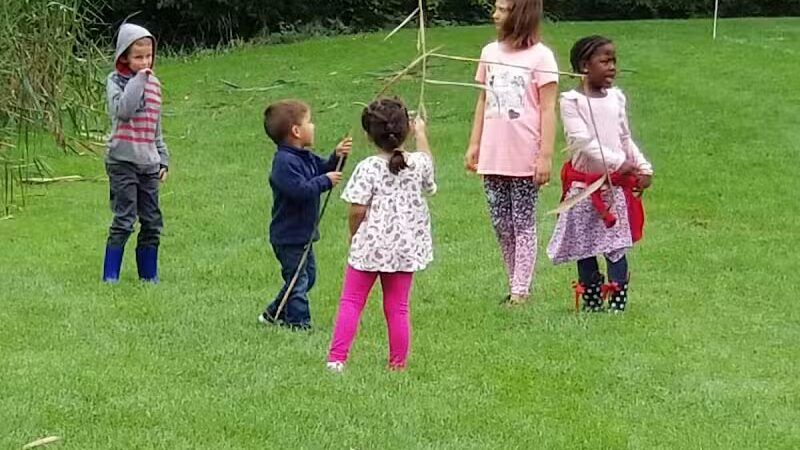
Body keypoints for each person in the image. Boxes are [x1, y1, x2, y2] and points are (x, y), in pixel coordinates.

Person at [326, 97, 436, 372]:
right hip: (404, 249)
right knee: (398, 307)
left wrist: (353, 234)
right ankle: (397, 363)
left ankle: (337, 360)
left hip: (370, 246)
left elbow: (357, 209)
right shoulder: (418, 164)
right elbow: (427, 164)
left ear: (369, 135)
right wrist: (421, 133)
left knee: (352, 301)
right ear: (406, 130)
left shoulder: (368, 167)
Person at [547, 35, 654, 312]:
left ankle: (618, 302)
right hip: (584, 188)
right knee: (585, 246)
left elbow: (624, 138)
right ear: (585, 66)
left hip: (613, 189)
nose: (612, 67)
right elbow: (582, 141)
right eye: (605, 61)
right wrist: (618, 162)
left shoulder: (617, 98)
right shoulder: (571, 101)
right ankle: (592, 301)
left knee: (616, 245)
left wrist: (643, 167)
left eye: (614, 61)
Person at [464, 0, 559, 305]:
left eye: (503, 9)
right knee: (501, 223)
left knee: (523, 222)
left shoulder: (542, 57)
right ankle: (513, 280)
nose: (495, 15)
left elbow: (548, 108)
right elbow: (483, 101)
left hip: (524, 154)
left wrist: (545, 155)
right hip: (494, 153)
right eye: (496, 8)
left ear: (521, 14)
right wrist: (475, 144)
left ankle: (520, 290)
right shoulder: (489, 53)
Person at [258, 99, 352, 329]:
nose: (313, 126)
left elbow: (324, 168)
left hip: (303, 235)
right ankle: (299, 324)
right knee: (298, 281)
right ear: (296, 131)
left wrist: (337, 156)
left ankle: (273, 313)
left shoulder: (304, 156)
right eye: (309, 122)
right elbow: (300, 191)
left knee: (305, 278)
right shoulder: (284, 163)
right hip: (289, 237)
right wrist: (324, 181)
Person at [102, 23, 169, 283]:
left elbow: (155, 127)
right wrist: (139, 80)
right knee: (124, 219)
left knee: (152, 221)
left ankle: (149, 277)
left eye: (148, 56)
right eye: (138, 57)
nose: (145, 62)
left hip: (148, 163)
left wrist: (162, 158)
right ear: (124, 57)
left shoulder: (155, 85)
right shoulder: (115, 82)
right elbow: (124, 111)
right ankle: (110, 277)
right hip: (122, 161)